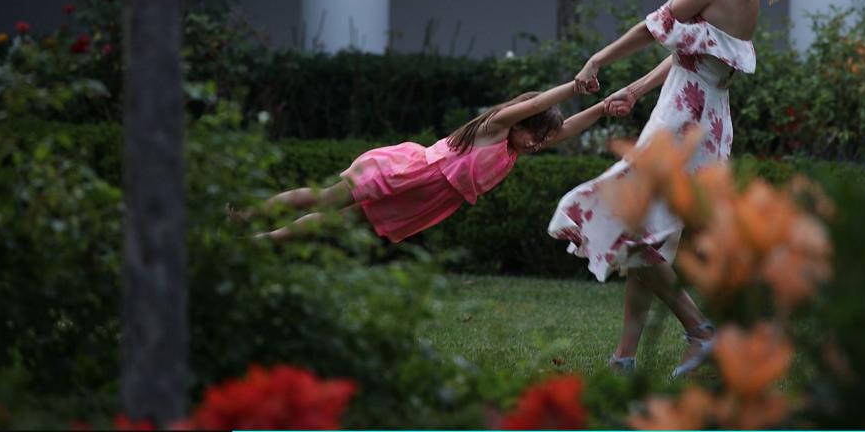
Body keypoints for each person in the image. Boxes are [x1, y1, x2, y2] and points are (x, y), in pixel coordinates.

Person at [547, 0, 797, 378]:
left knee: (627, 225)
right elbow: (692, 53)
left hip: (682, 123)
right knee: (648, 237)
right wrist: (637, 89)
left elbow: (655, 27)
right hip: (706, 121)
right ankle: (624, 358)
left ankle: (701, 330)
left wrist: (598, 59)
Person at [232, 81, 611, 243]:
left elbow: (570, 127)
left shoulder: (513, 149)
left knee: (337, 221)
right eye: (534, 134)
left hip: (424, 198)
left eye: (541, 140)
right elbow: (533, 105)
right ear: (520, 121)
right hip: (409, 173)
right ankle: (247, 217)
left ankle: (259, 243)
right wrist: (575, 86)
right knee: (325, 199)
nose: (537, 144)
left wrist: (605, 105)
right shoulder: (496, 128)